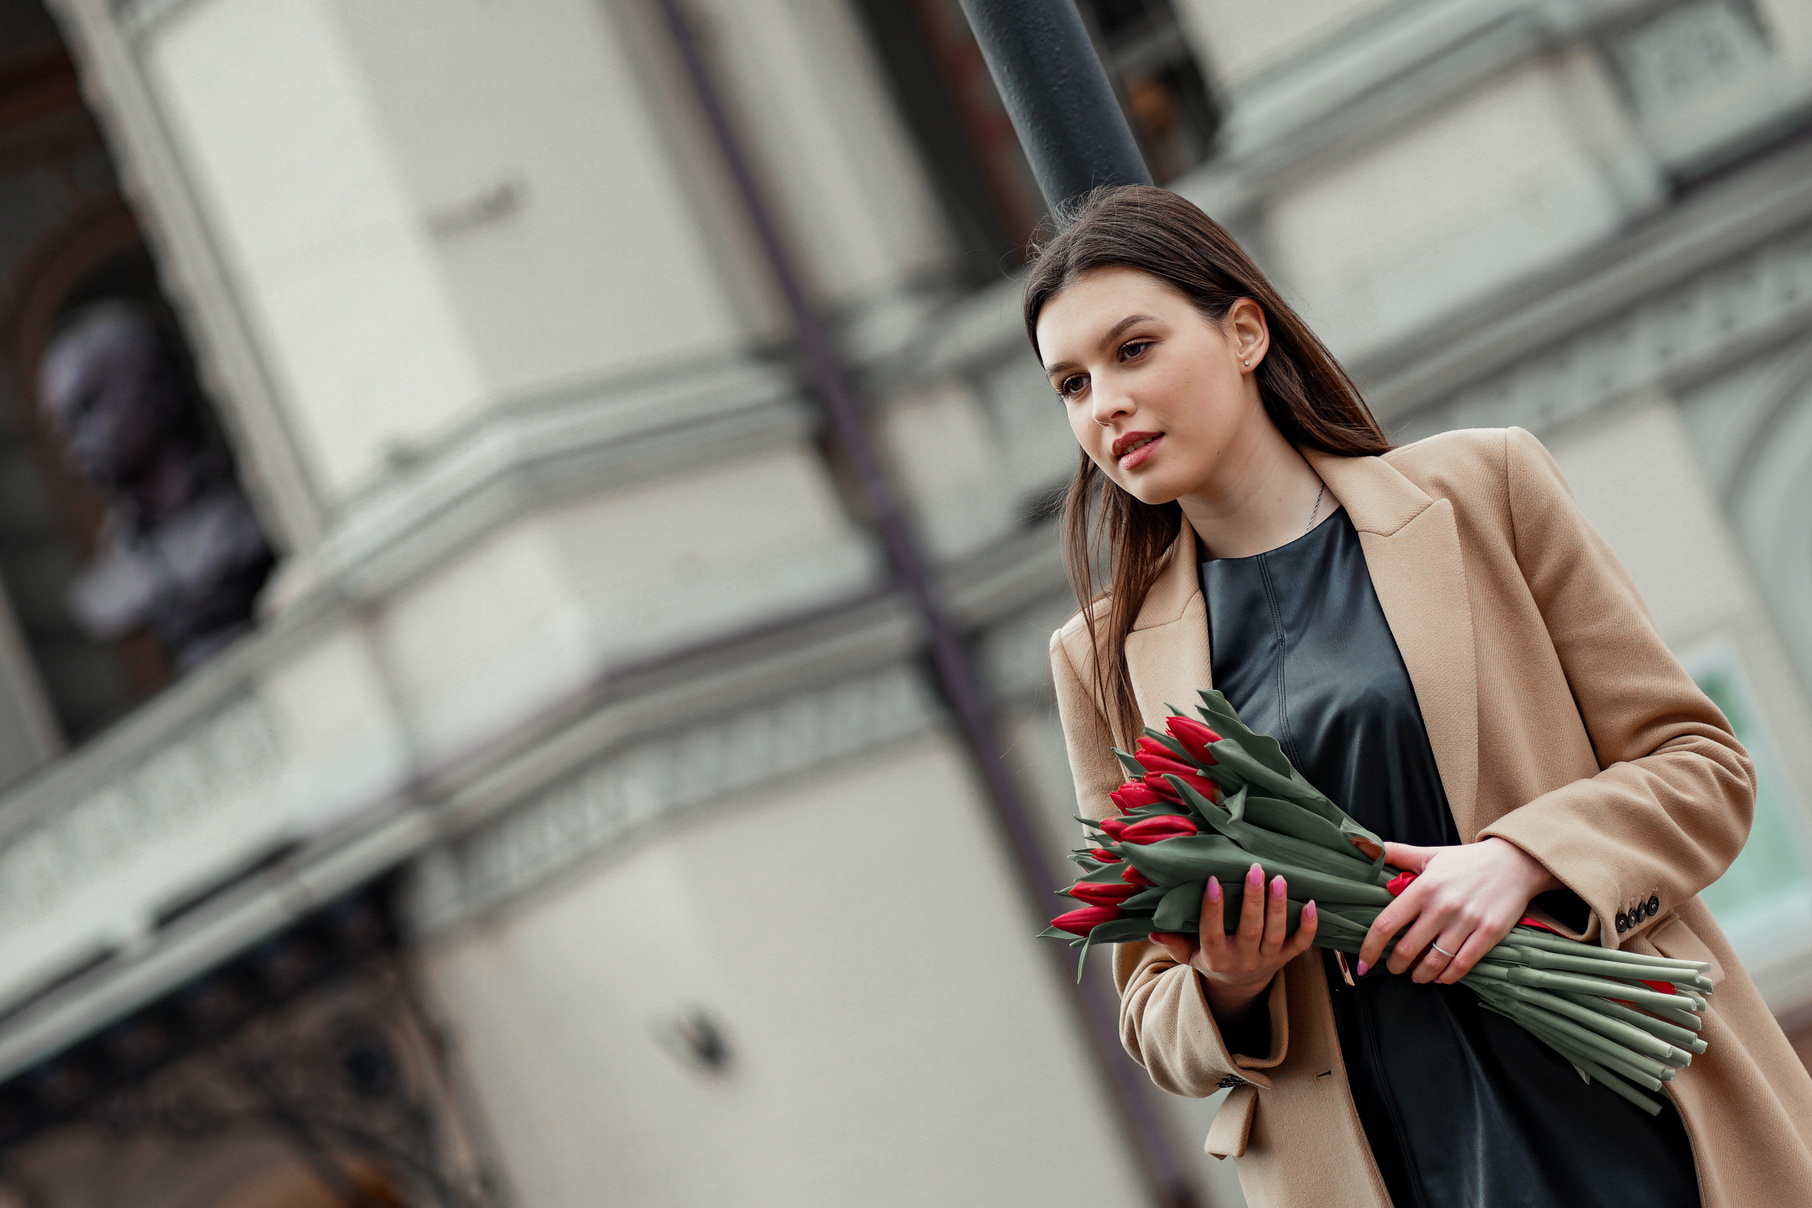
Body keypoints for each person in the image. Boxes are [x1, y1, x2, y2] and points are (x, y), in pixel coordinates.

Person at [1033, 185, 1812, 1208]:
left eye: (1132, 351)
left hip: (1633, 1105)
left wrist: (1520, 860)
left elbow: (1702, 770)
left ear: (1244, 332)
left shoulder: (1483, 488)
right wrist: (1229, 981)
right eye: (1073, 384)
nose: (1105, 406)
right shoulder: (1100, 661)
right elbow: (1148, 1006)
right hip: (1387, 1159)